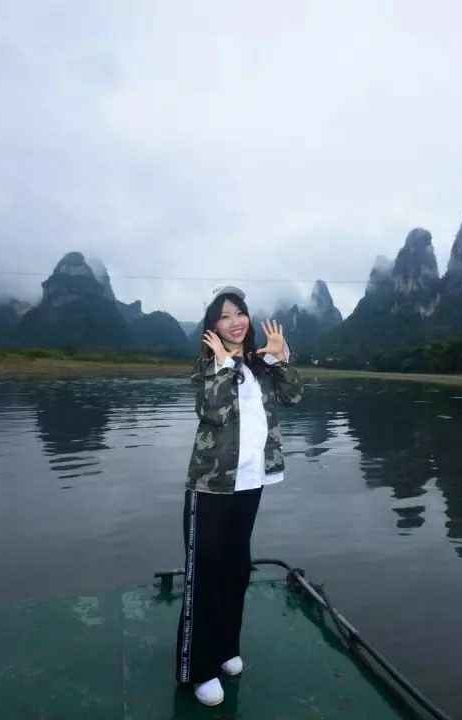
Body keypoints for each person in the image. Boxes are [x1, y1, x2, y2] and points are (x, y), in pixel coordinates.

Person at [175, 285, 304, 707]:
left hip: (250, 482)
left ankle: (226, 647)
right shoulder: (208, 364)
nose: (235, 321)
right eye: (225, 315)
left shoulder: (259, 363)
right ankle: (198, 669)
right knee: (204, 575)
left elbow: (294, 396)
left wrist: (280, 358)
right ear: (213, 325)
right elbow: (213, 412)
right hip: (211, 486)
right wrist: (225, 365)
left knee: (237, 570)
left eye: (240, 313)